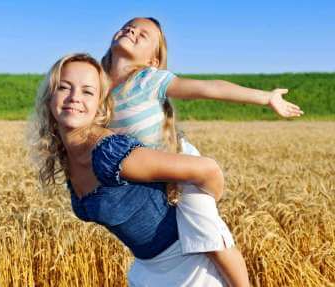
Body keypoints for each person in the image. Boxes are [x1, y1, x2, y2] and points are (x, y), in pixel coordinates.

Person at [100, 17, 304, 284]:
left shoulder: (149, 79)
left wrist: (266, 98)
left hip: (184, 169)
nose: (132, 31)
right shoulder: (97, 88)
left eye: (144, 34)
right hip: (148, 173)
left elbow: (210, 88)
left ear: (153, 60)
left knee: (208, 237)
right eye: (129, 27)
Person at [28, 53, 250, 286]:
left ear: (99, 105)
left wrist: (204, 212)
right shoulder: (67, 155)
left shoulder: (110, 154)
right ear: (50, 96)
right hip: (149, 272)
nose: (74, 97)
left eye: (87, 91)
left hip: (192, 269)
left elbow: (208, 170)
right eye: (64, 87)